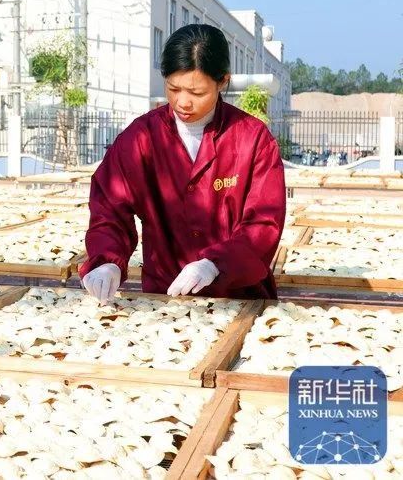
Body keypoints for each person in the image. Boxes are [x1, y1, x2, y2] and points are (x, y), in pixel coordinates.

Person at [79, 24, 285, 302]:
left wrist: (215, 264)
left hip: (240, 295)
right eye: (173, 88)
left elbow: (263, 222)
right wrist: (107, 260)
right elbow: (109, 208)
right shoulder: (141, 138)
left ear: (223, 81)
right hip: (166, 297)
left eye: (197, 92)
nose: (183, 102)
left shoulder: (252, 139)